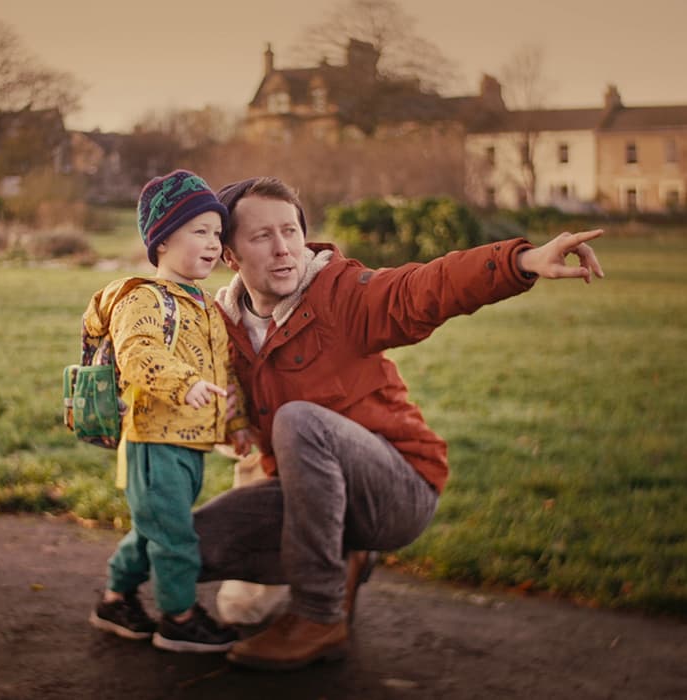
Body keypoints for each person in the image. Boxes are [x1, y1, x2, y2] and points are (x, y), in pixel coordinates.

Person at [193, 176, 604, 671]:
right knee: (184, 544)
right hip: (307, 495)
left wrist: (519, 261)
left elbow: (425, 287)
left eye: (291, 232)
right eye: (262, 237)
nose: (283, 250)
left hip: (397, 490)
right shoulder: (219, 326)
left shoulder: (341, 294)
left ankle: (319, 616)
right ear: (230, 256)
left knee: (299, 421)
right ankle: (341, 559)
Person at [88, 169, 251, 653]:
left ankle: (115, 600)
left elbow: (224, 371)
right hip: (152, 440)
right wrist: (184, 383)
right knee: (175, 537)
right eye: (198, 231)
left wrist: (236, 423)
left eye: (217, 233)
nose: (211, 243)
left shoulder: (204, 305)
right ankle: (178, 618)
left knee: (151, 530)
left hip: (189, 444)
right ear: (160, 241)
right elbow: (139, 352)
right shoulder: (143, 296)